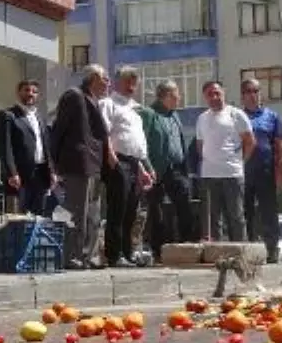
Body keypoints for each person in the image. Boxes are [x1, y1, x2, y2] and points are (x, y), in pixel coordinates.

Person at [51, 64, 110, 269]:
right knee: (77, 212)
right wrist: (54, 164)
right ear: (93, 77)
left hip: (93, 165)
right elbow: (58, 130)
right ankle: (72, 256)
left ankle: (88, 256)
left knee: (93, 215)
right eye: (105, 78)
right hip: (77, 163)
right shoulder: (74, 96)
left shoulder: (94, 100)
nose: (107, 83)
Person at [99, 66, 155, 267]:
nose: (131, 86)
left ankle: (127, 252)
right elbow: (103, 132)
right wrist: (111, 156)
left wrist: (142, 169)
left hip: (133, 162)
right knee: (117, 209)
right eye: (127, 81)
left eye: (134, 82)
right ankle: (114, 255)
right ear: (117, 82)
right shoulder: (108, 103)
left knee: (131, 210)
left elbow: (136, 144)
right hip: (117, 160)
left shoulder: (135, 111)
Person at [140, 80, 195, 263]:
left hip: (176, 169)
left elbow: (179, 140)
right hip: (156, 169)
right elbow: (142, 142)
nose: (179, 98)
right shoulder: (150, 114)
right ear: (166, 96)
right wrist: (145, 167)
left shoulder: (174, 115)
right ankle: (158, 251)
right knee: (157, 212)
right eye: (176, 94)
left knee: (185, 205)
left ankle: (188, 246)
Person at [195, 81, 254, 242]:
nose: (214, 97)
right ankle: (216, 255)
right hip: (209, 175)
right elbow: (200, 145)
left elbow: (249, 141)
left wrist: (240, 162)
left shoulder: (236, 114)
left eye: (217, 93)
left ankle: (241, 254)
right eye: (210, 94)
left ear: (224, 93)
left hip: (232, 174)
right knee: (212, 219)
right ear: (205, 97)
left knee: (236, 216)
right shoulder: (201, 118)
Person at [240, 78, 282, 263]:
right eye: (248, 91)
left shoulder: (272, 117)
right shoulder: (237, 116)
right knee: (245, 213)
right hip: (242, 173)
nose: (252, 95)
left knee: (269, 212)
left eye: (256, 91)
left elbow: (280, 145)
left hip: (266, 172)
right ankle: (249, 250)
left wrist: (280, 171)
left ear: (261, 93)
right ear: (242, 96)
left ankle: (272, 249)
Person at [0, 80, 55, 216]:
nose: (30, 94)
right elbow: (4, 147)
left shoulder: (40, 118)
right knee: (18, 219)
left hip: (40, 174)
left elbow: (46, 146)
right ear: (18, 92)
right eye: (26, 90)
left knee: (38, 217)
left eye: (34, 91)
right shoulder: (8, 115)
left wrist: (52, 171)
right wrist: (12, 173)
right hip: (19, 176)